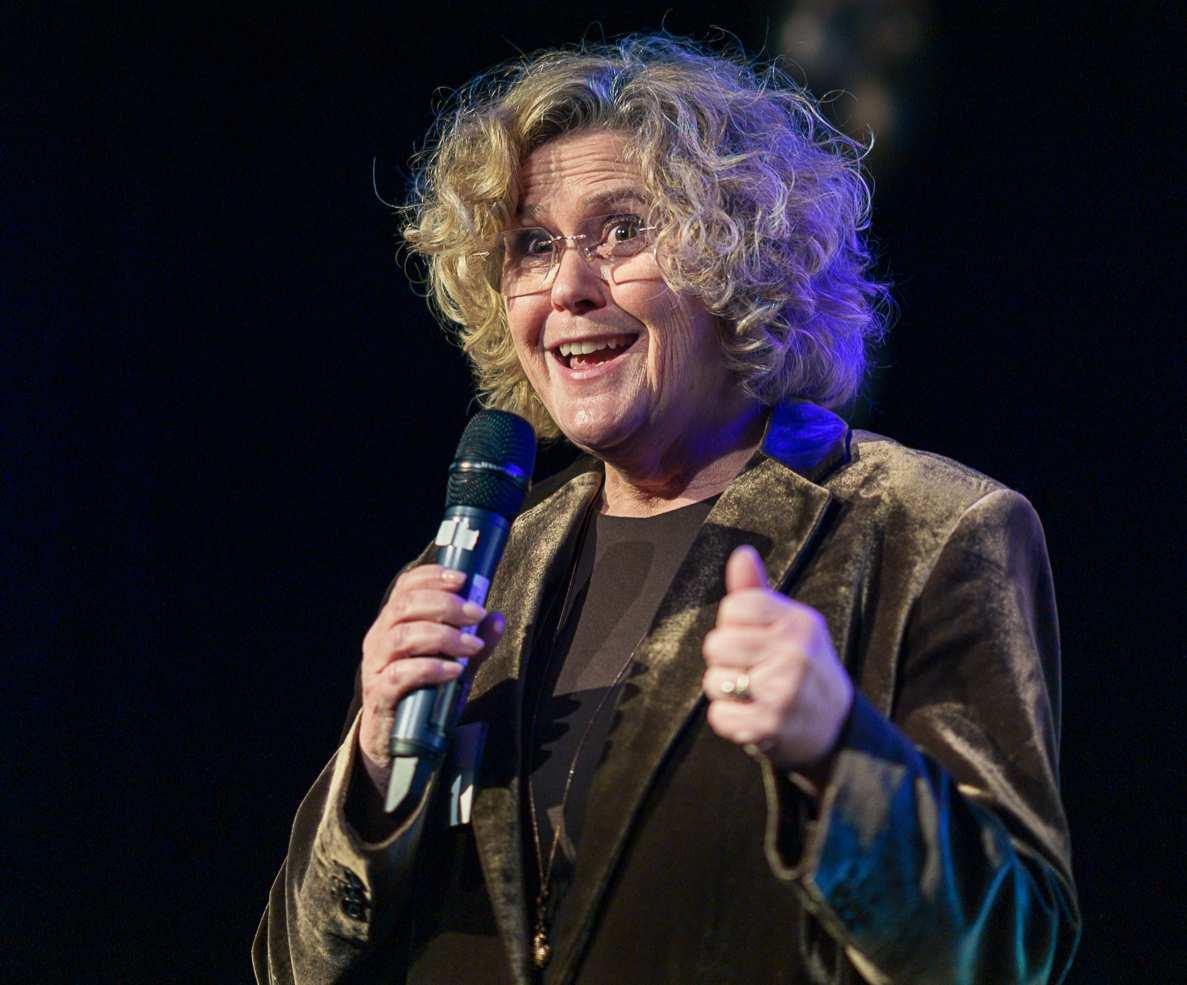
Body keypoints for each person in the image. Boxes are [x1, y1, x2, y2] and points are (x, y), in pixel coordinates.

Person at [254, 35, 1080, 984]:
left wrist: (839, 754)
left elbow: (1012, 950)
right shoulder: (481, 570)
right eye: (532, 245)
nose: (568, 287)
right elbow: (291, 966)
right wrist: (370, 766)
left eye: (621, 231)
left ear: (739, 259)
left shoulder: (924, 531)